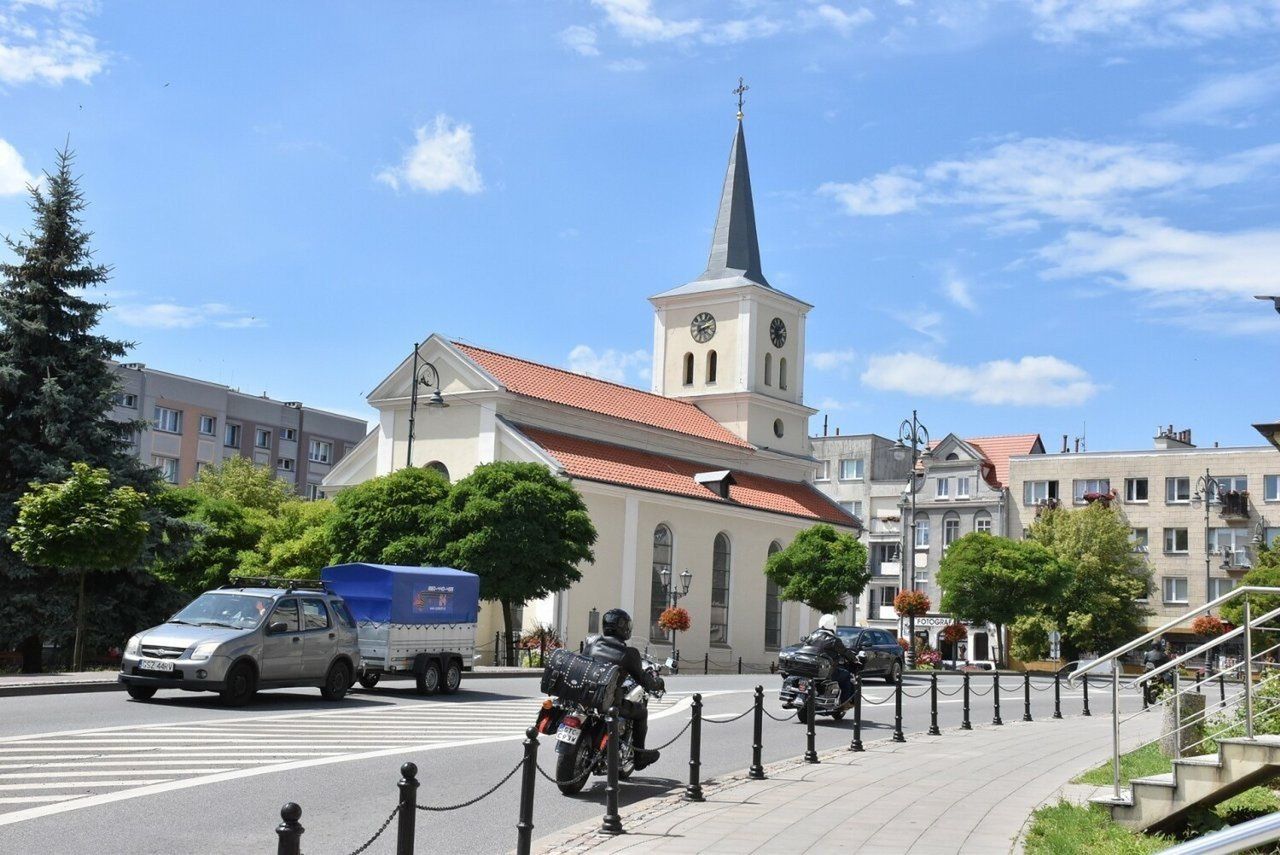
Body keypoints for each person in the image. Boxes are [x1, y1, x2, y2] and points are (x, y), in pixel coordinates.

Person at [583, 608, 665, 770]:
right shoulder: (629, 653)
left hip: (584, 695)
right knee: (641, 712)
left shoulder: (592, 645)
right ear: (624, 628)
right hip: (609, 702)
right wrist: (658, 683)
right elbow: (643, 679)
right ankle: (639, 756)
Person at [804, 614, 857, 707]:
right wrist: (855, 658)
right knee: (846, 676)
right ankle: (845, 702)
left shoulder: (811, 636)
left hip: (811, 669)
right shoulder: (834, 640)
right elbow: (845, 652)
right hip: (826, 671)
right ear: (833, 625)